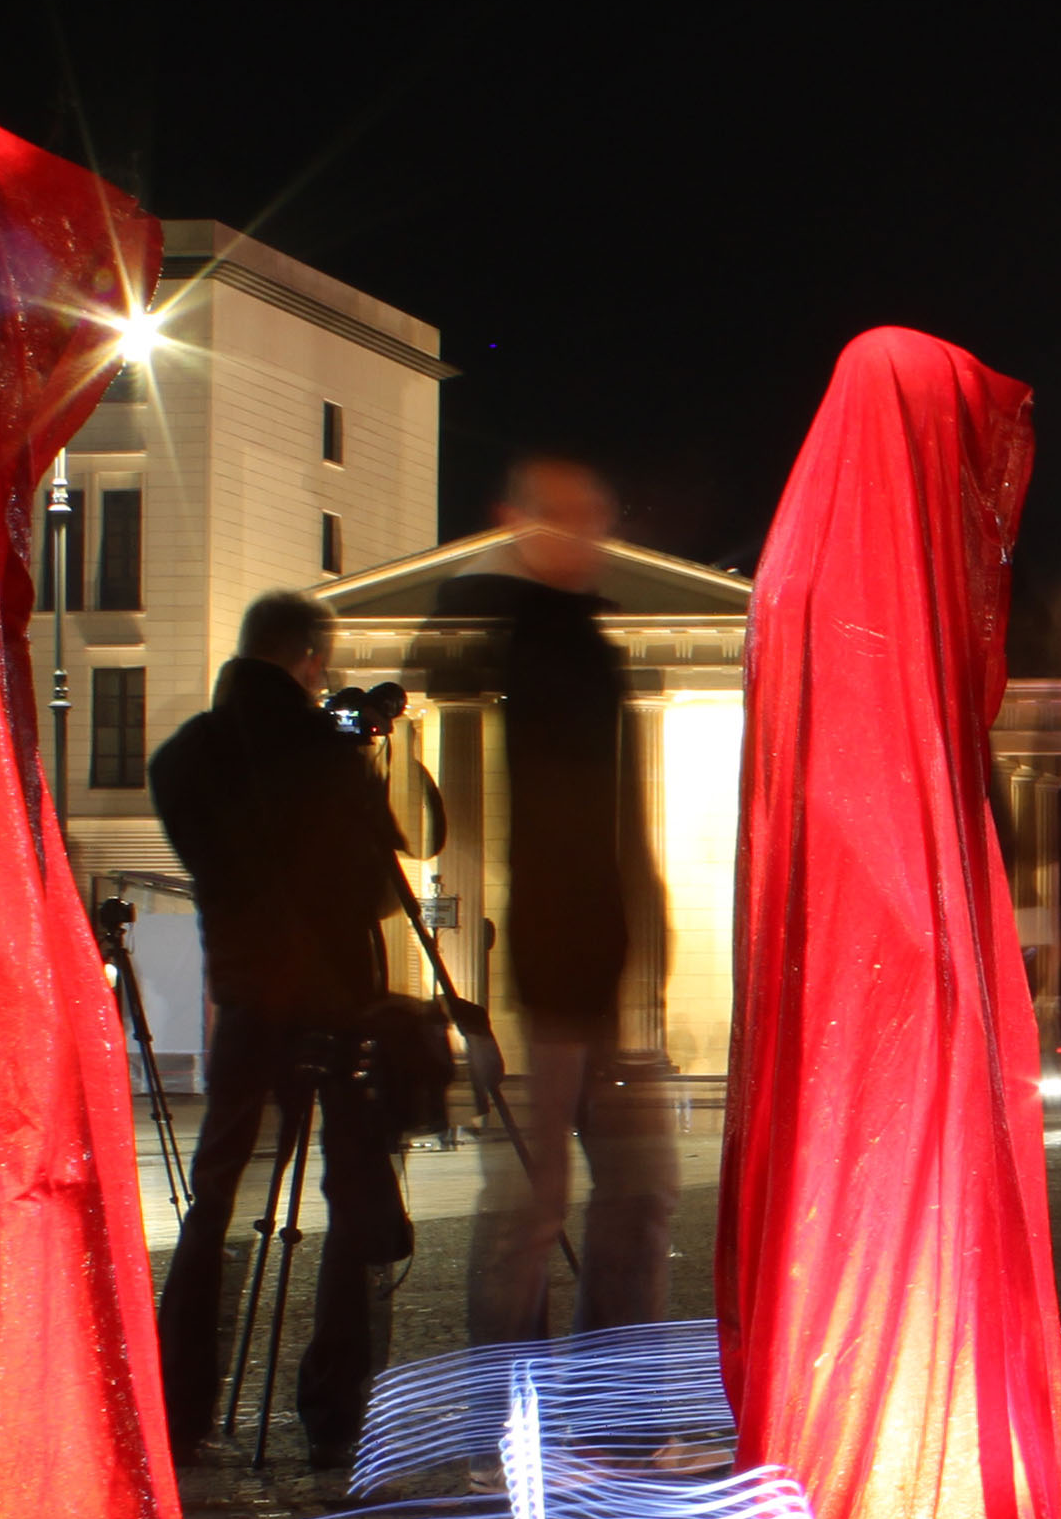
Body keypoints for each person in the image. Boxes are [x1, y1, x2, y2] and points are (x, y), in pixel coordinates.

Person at [149, 590, 417, 1465]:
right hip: (335, 1006)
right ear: (309, 657)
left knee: (218, 1198)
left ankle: (180, 1401)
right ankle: (335, 1413)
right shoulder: (326, 751)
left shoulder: (183, 756)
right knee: (348, 1201)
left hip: (247, 1003)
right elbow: (384, 882)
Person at [419, 456, 678, 1344]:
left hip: (599, 970)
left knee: (635, 1193)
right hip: (552, 972)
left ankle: (609, 1399)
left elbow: (612, 819)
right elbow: (551, 824)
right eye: (569, 518)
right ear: (520, 525)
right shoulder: (523, 638)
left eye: (597, 518)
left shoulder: (580, 642)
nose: (591, 536)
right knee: (538, 1205)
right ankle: (510, 1409)